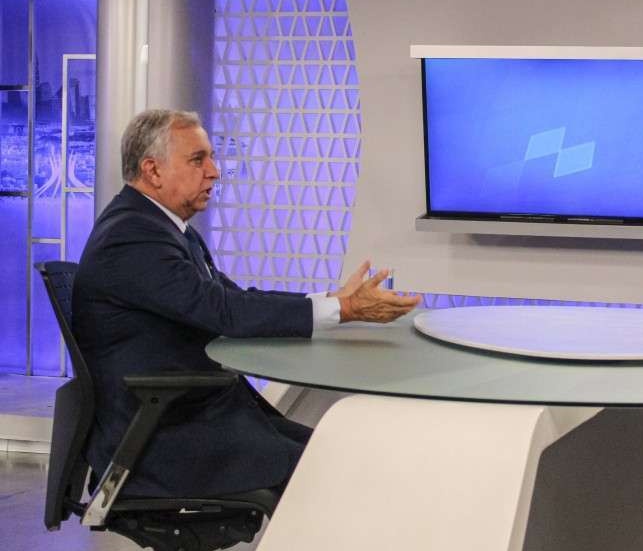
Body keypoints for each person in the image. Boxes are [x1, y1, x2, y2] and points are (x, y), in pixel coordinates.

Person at [73, 109, 421, 498]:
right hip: (164, 440)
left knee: (343, 457)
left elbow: (232, 300)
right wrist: (346, 311)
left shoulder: (163, 228)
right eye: (198, 159)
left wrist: (334, 301)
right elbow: (223, 313)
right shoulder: (133, 237)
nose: (215, 171)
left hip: (196, 418)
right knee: (339, 475)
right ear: (153, 171)